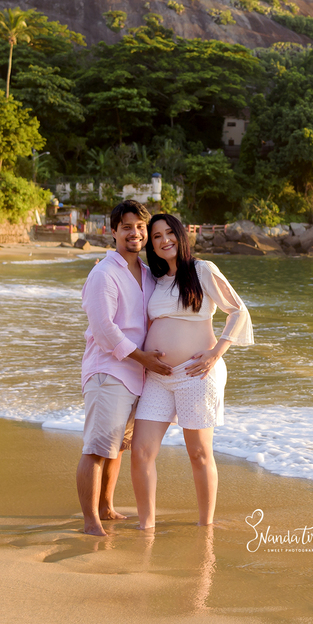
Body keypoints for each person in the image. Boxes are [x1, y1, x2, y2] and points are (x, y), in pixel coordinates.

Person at [131, 213, 253, 530]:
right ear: (151, 244)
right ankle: (146, 525)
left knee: (198, 452)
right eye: (156, 236)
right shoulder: (154, 280)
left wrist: (215, 353)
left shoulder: (202, 270)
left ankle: (205, 525)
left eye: (169, 233)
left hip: (197, 374)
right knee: (141, 451)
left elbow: (238, 310)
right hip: (159, 376)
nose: (164, 240)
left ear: (181, 235)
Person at [77, 200, 172, 536]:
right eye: (127, 227)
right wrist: (144, 358)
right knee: (97, 448)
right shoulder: (104, 273)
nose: (135, 233)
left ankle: (106, 507)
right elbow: (104, 329)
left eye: (141, 227)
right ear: (113, 231)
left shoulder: (146, 273)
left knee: (116, 446)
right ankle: (90, 520)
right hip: (109, 371)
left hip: (137, 376)